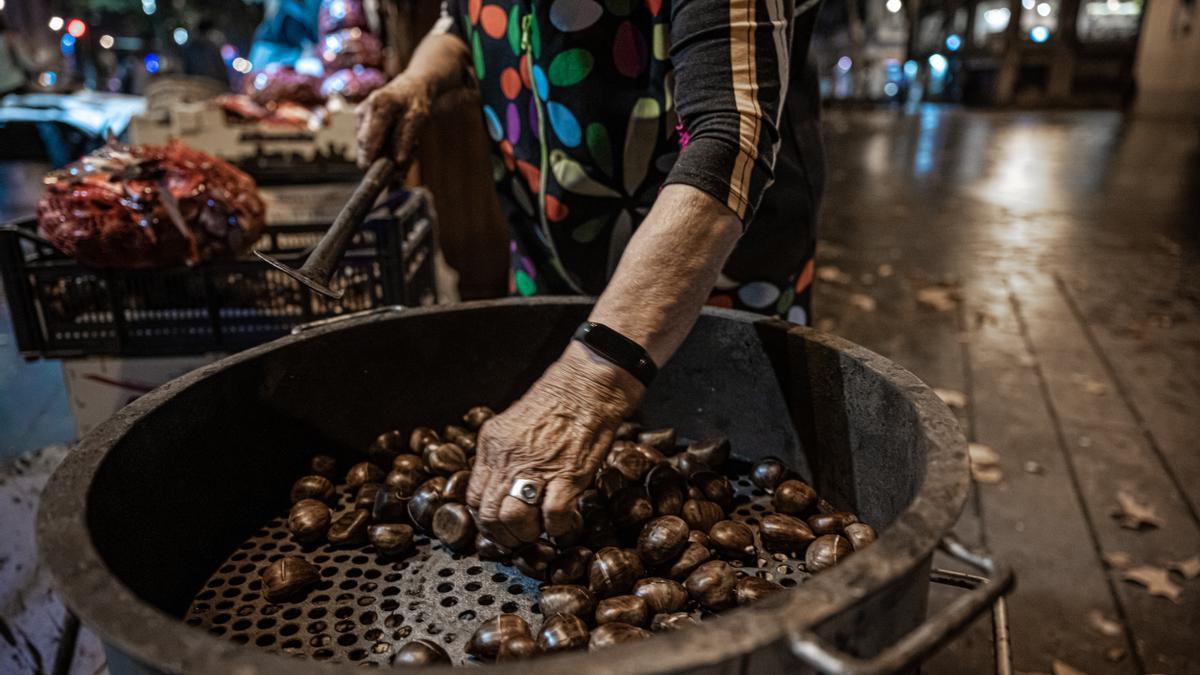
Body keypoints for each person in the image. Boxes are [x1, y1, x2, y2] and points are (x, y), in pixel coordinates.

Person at [357, 0, 825, 549]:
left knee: (736, 465)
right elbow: (460, 23)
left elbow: (727, 140)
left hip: (713, 266)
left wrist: (588, 380)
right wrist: (418, 79)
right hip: (551, 252)